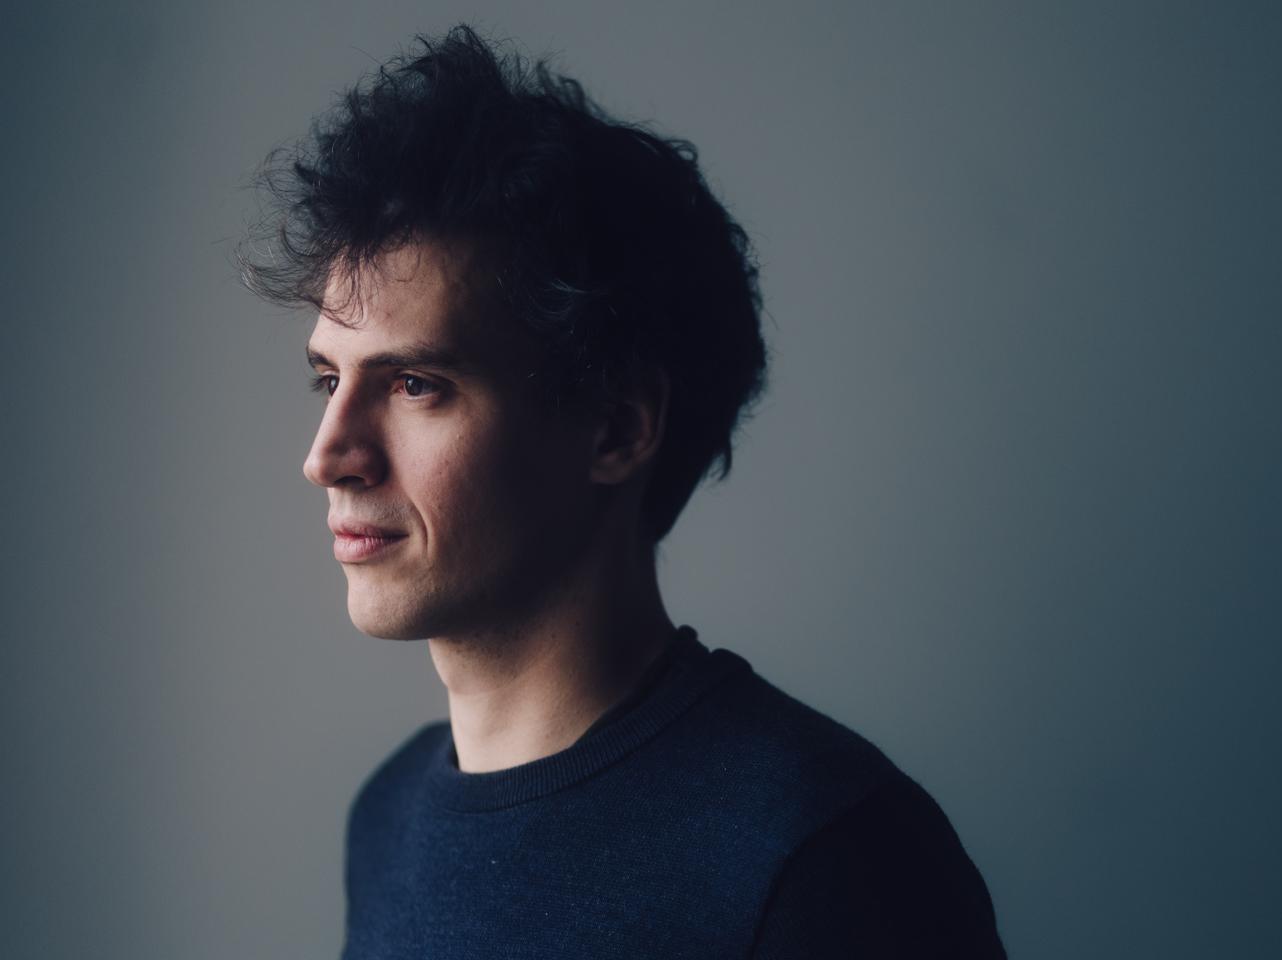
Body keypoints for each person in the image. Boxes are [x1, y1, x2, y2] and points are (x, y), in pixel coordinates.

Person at [242, 24, 1006, 959]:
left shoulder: (821, 858)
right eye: (330, 380)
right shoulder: (387, 822)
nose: (329, 456)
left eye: (414, 385)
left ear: (616, 428)